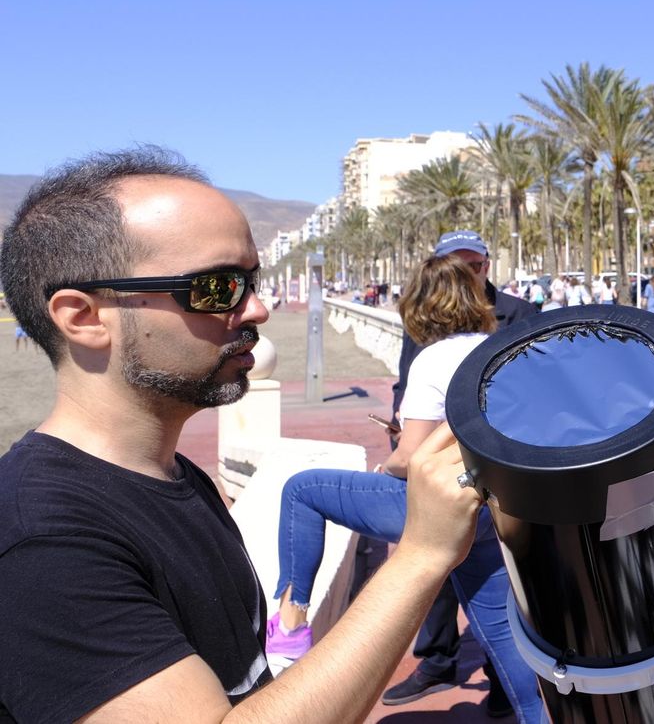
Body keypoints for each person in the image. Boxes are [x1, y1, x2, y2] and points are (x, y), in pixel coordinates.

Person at [0, 148, 482, 722]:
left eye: (250, 280)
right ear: (82, 317)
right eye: (215, 287)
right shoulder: (42, 542)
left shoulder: (174, 476)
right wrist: (422, 556)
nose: (256, 308)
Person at [270, 254, 543, 721]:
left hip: (443, 505)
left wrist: (389, 461)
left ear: (420, 303)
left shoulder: (432, 358)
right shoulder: (501, 349)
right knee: (503, 634)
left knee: (303, 490)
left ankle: (291, 623)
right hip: (496, 506)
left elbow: (413, 458)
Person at [385, 230, 533, 711]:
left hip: (497, 479)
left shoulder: (522, 314)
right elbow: (411, 379)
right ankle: (436, 661)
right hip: (431, 459)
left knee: (505, 580)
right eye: (459, 265)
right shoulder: (427, 327)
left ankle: (502, 685)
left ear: (488, 266)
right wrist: (399, 424)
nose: (470, 273)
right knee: (436, 570)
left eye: (477, 264)